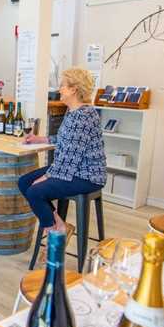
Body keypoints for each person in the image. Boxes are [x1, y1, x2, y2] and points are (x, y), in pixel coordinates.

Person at [18, 67, 106, 238]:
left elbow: (70, 159)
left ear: (74, 89)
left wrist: (45, 177)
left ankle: (54, 238)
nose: (59, 89)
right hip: (71, 169)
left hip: (86, 176)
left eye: (63, 85)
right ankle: (59, 224)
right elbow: (66, 140)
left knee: (35, 191)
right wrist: (41, 139)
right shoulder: (73, 111)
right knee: (24, 182)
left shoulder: (83, 116)